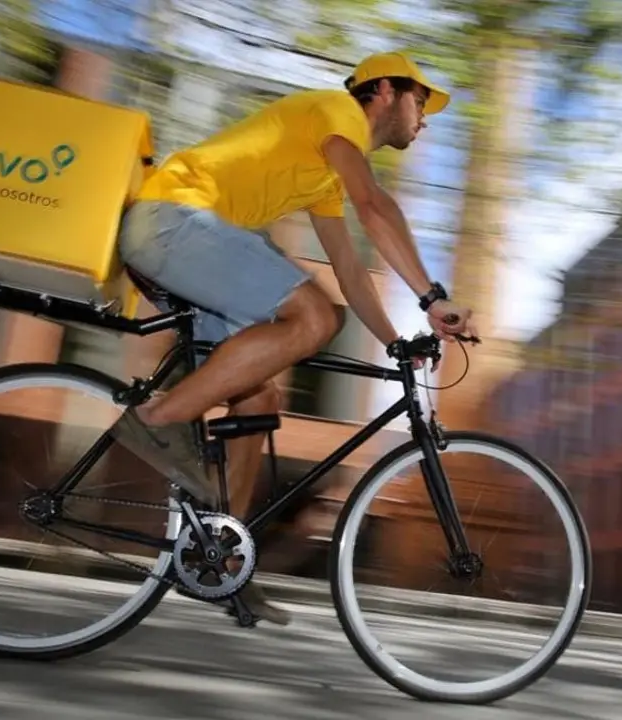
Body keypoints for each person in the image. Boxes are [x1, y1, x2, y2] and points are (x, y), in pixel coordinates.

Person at [110, 51, 476, 625]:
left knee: (259, 397)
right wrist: (433, 298)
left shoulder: (326, 170)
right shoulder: (335, 112)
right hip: (172, 222)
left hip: (177, 243)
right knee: (314, 317)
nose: (425, 118)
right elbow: (375, 208)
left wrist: (394, 341)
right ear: (383, 91)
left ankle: (217, 560)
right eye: (421, 101)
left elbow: (353, 272)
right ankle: (156, 422)